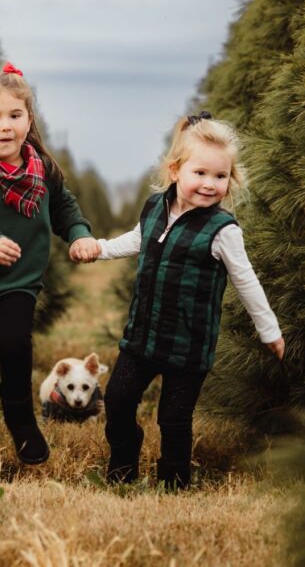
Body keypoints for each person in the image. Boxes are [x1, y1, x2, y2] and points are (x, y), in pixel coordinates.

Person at [78, 111, 284, 488]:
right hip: (141, 336)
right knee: (120, 400)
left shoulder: (222, 230)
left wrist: (268, 329)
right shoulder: (155, 208)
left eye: (220, 177)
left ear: (230, 180)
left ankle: (174, 481)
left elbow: (246, 279)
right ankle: (123, 467)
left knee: (174, 418)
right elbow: (138, 240)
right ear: (176, 170)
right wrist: (100, 249)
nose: (209, 184)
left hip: (188, 345)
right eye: (200, 174)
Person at [0, 61, 100, 464]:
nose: (5, 126)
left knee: (14, 348)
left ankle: (22, 424)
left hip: (17, 284)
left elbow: (65, 208)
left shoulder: (42, 169)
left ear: (29, 119)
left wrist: (79, 234)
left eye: (15, 115)